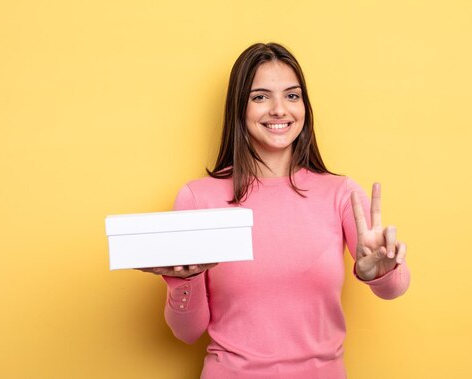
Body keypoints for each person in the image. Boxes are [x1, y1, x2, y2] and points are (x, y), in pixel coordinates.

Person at [139, 42, 410, 379]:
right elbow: (187, 331)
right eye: (260, 96)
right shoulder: (199, 198)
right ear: (239, 108)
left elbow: (395, 287)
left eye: (292, 96)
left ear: (305, 108)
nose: (280, 109)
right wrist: (183, 282)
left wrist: (381, 272)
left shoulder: (341, 193)